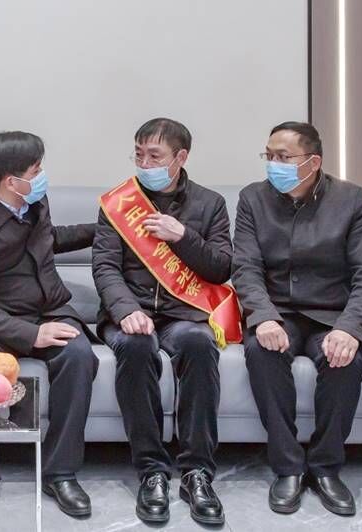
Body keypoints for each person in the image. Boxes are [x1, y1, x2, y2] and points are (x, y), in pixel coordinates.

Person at [232, 121, 362, 516]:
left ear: (313, 162)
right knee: (261, 352)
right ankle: (288, 466)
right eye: (269, 155)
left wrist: (350, 328)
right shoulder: (253, 198)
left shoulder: (352, 200)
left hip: (331, 314)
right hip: (278, 313)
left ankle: (325, 467)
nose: (273, 164)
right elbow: (246, 267)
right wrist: (262, 317)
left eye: (283, 157)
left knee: (345, 360)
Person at [0, 131, 98, 519]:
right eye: (36, 170)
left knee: (79, 355)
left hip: (48, 308)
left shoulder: (33, 200)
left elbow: (48, 240)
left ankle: (60, 472)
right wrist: (32, 335)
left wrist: (102, 228)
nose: (42, 176)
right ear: (10, 181)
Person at [92, 118, 236, 525]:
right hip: (129, 312)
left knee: (199, 344)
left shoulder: (210, 204)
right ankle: (152, 470)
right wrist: (125, 310)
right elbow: (104, 267)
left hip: (182, 314)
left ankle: (196, 472)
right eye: (139, 154)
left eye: (154, 156)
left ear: (180, 157)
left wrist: (183, 236)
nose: (144, 164)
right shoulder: (119, 202)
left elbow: (221, 268)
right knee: (136, 347)